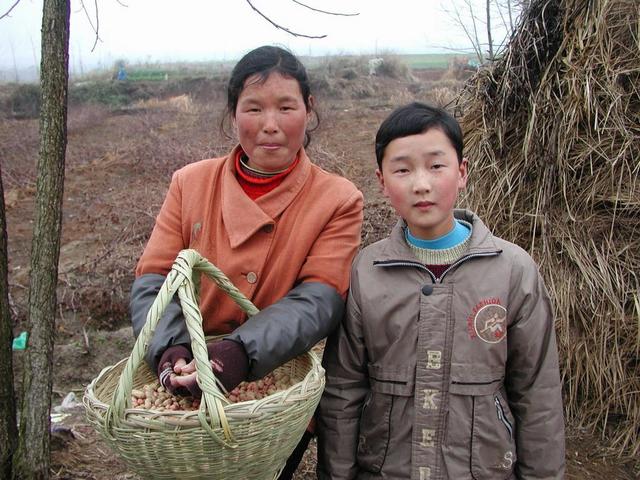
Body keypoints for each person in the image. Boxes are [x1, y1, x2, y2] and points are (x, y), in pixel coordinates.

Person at [130, 45, 363, 478]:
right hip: (184, 377)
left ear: (308, 109)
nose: (270, 126)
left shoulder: (337, 199)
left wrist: (238, 354)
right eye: (253, 108)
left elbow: (320, 298)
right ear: (233, 112)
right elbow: (153, 278)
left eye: (286, 107)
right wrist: (173, 350)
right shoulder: (190, 183)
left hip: (274, 384)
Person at [317, 102, 565, 479]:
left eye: (436, 166)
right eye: (402, 169)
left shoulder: (513, 271)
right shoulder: (365, 272)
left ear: (462, 172)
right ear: (382, 181)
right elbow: (343, 392)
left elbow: (538, 394)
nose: (421, 184)